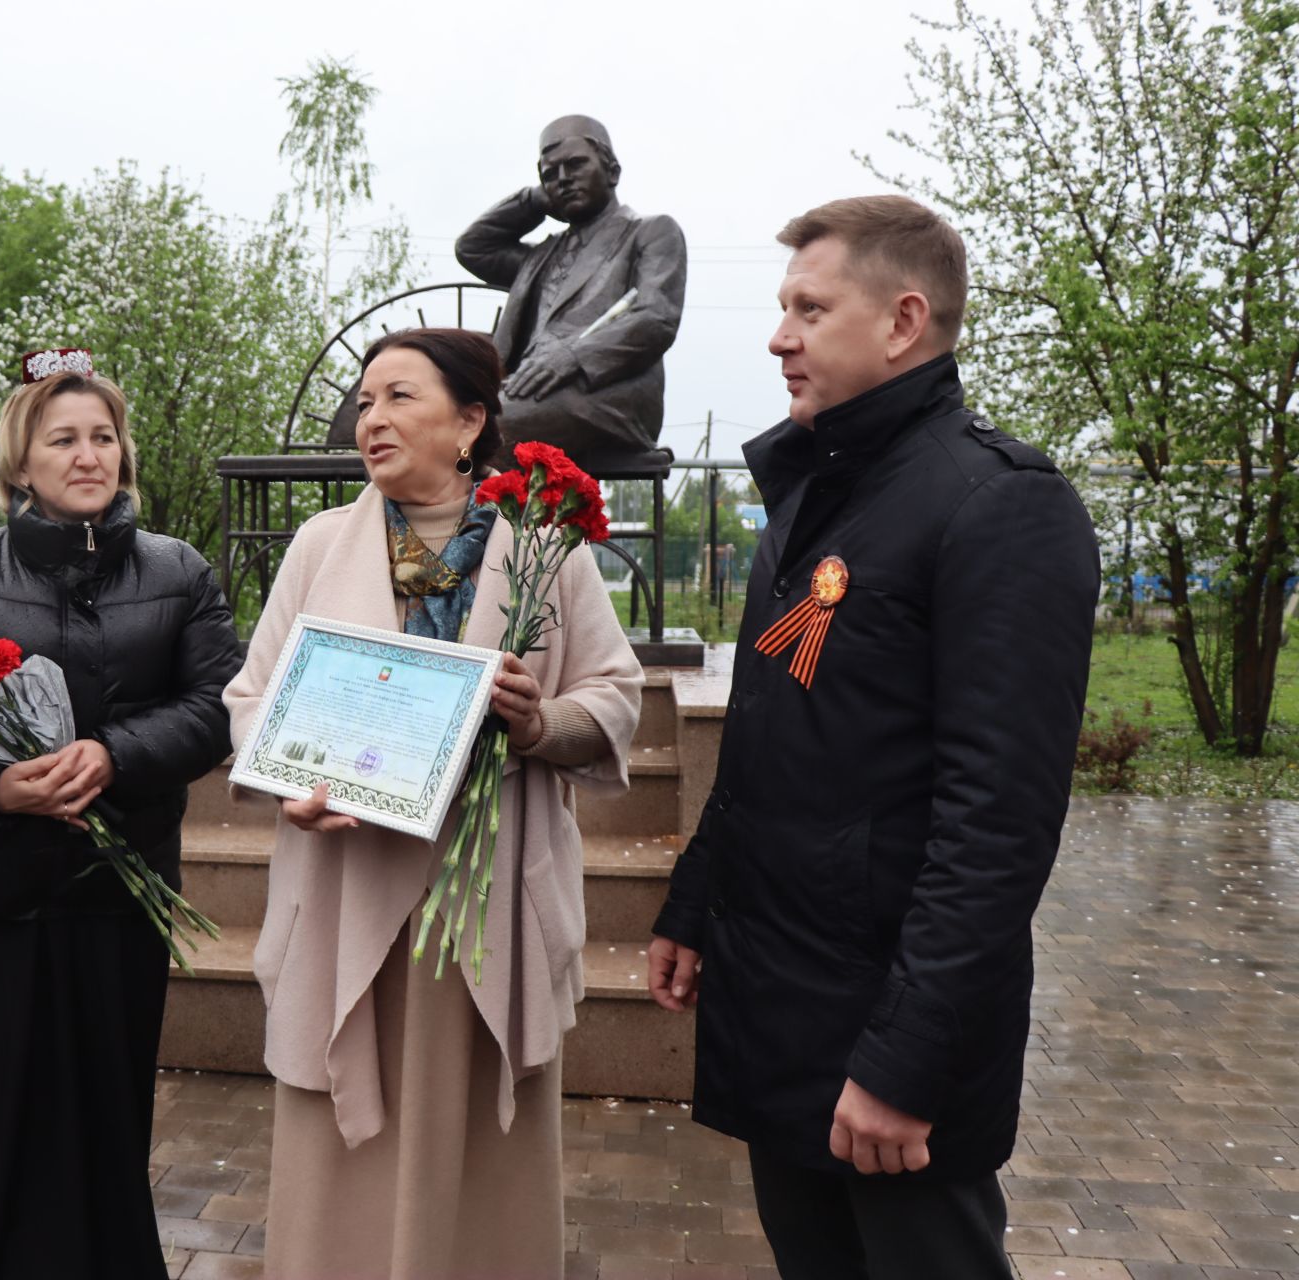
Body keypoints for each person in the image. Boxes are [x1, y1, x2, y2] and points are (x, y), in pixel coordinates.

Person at [647, 196, 1099, 1279]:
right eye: (780, 307)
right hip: (782, 1000)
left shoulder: (999, 506)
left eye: (809, 307)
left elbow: (998, 823)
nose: (778, 336)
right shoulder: (815, 494)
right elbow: (772, 730)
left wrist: (907, 1059)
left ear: (902, 321)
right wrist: (696, 896)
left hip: (889, 1035)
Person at [225, 328, 644, 1279]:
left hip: (482, 905)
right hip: (346, 888)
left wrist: (540, 725)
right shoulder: (320, 543)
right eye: (365, 401)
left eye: (399, 398)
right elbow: (251, 703)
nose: (371, 418)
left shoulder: (544, 547)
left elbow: (613, 695)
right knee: (342, 1157)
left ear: (469, 423)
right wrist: (291, 781)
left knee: (475, 1158)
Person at [0, 350, 241, 1279]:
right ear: (21, 462)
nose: (89, 456)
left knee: (108, 1115)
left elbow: (217, 706)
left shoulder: (180, 571)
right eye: (64, 439)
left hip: (121, 896)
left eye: (104, 437)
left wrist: (115, 753)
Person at [455, 114, 687, 456]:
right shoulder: (540, 257)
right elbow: (473, 247)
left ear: (612, 171)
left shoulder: (650, 232)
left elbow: (656, 318)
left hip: (606, 395)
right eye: (551, 174)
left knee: (484, 429)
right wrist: (534, 200)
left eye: (575, 165)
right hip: (526, 387)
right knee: (430, 417)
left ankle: (483, 511)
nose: (563, 179)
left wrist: (572, 357)